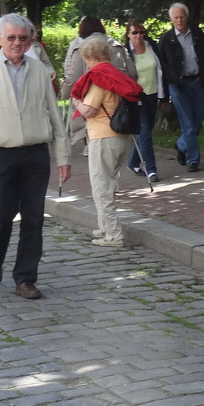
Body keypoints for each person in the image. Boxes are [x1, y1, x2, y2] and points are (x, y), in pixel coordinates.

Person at [0, 13, 70, 300]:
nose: (17, 43)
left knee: (34, 218)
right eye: (11, 38)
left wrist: (63, 157)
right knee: (2, 213)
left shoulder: (39, 70)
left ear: (30, 39)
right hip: (1, 154)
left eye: (23, 37)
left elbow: (54, 115)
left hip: (35, 153)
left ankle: (25, 278)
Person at [68, 36, 141, 248]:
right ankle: (105, 226)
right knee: (108, 184)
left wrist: (77, 101)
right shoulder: (116, 74)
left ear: (90, 57)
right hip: (121, 136)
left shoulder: (98, 78)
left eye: (85, 58)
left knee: (102, 188)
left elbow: (89, 110)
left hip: (103, 137)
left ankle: (113, 235)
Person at [60, 16, 134, 161]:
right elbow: (132, 73)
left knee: (99, 165)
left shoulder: (81, 48)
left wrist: (65, 93)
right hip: (120, 110)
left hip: (95, 112)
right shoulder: (117, 45)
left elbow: (73, 77)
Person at [157, 3, 204, 172]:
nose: (179, 20)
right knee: (187, 123)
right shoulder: (166, 39)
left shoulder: (197, 34)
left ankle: (181, 144)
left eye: (182, 17)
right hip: (178, 86)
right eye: (176, 18)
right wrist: (170, 83)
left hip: (196, 82)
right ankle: (193, 160)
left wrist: (203, 74)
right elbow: (162, 65)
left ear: (187, 17)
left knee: (198, 122)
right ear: (171, 19)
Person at [123, 18, 165, 182]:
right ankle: (151, 169)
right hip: (136, 97)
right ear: (128, 34)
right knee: (145, 134)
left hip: (152, 94)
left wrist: (164, 94)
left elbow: (161, 69)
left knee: (145, 131)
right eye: (134, 33)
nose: (138, 36)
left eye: (141, 32)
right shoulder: (125, 52)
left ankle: (133, 162)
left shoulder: (151, 46)